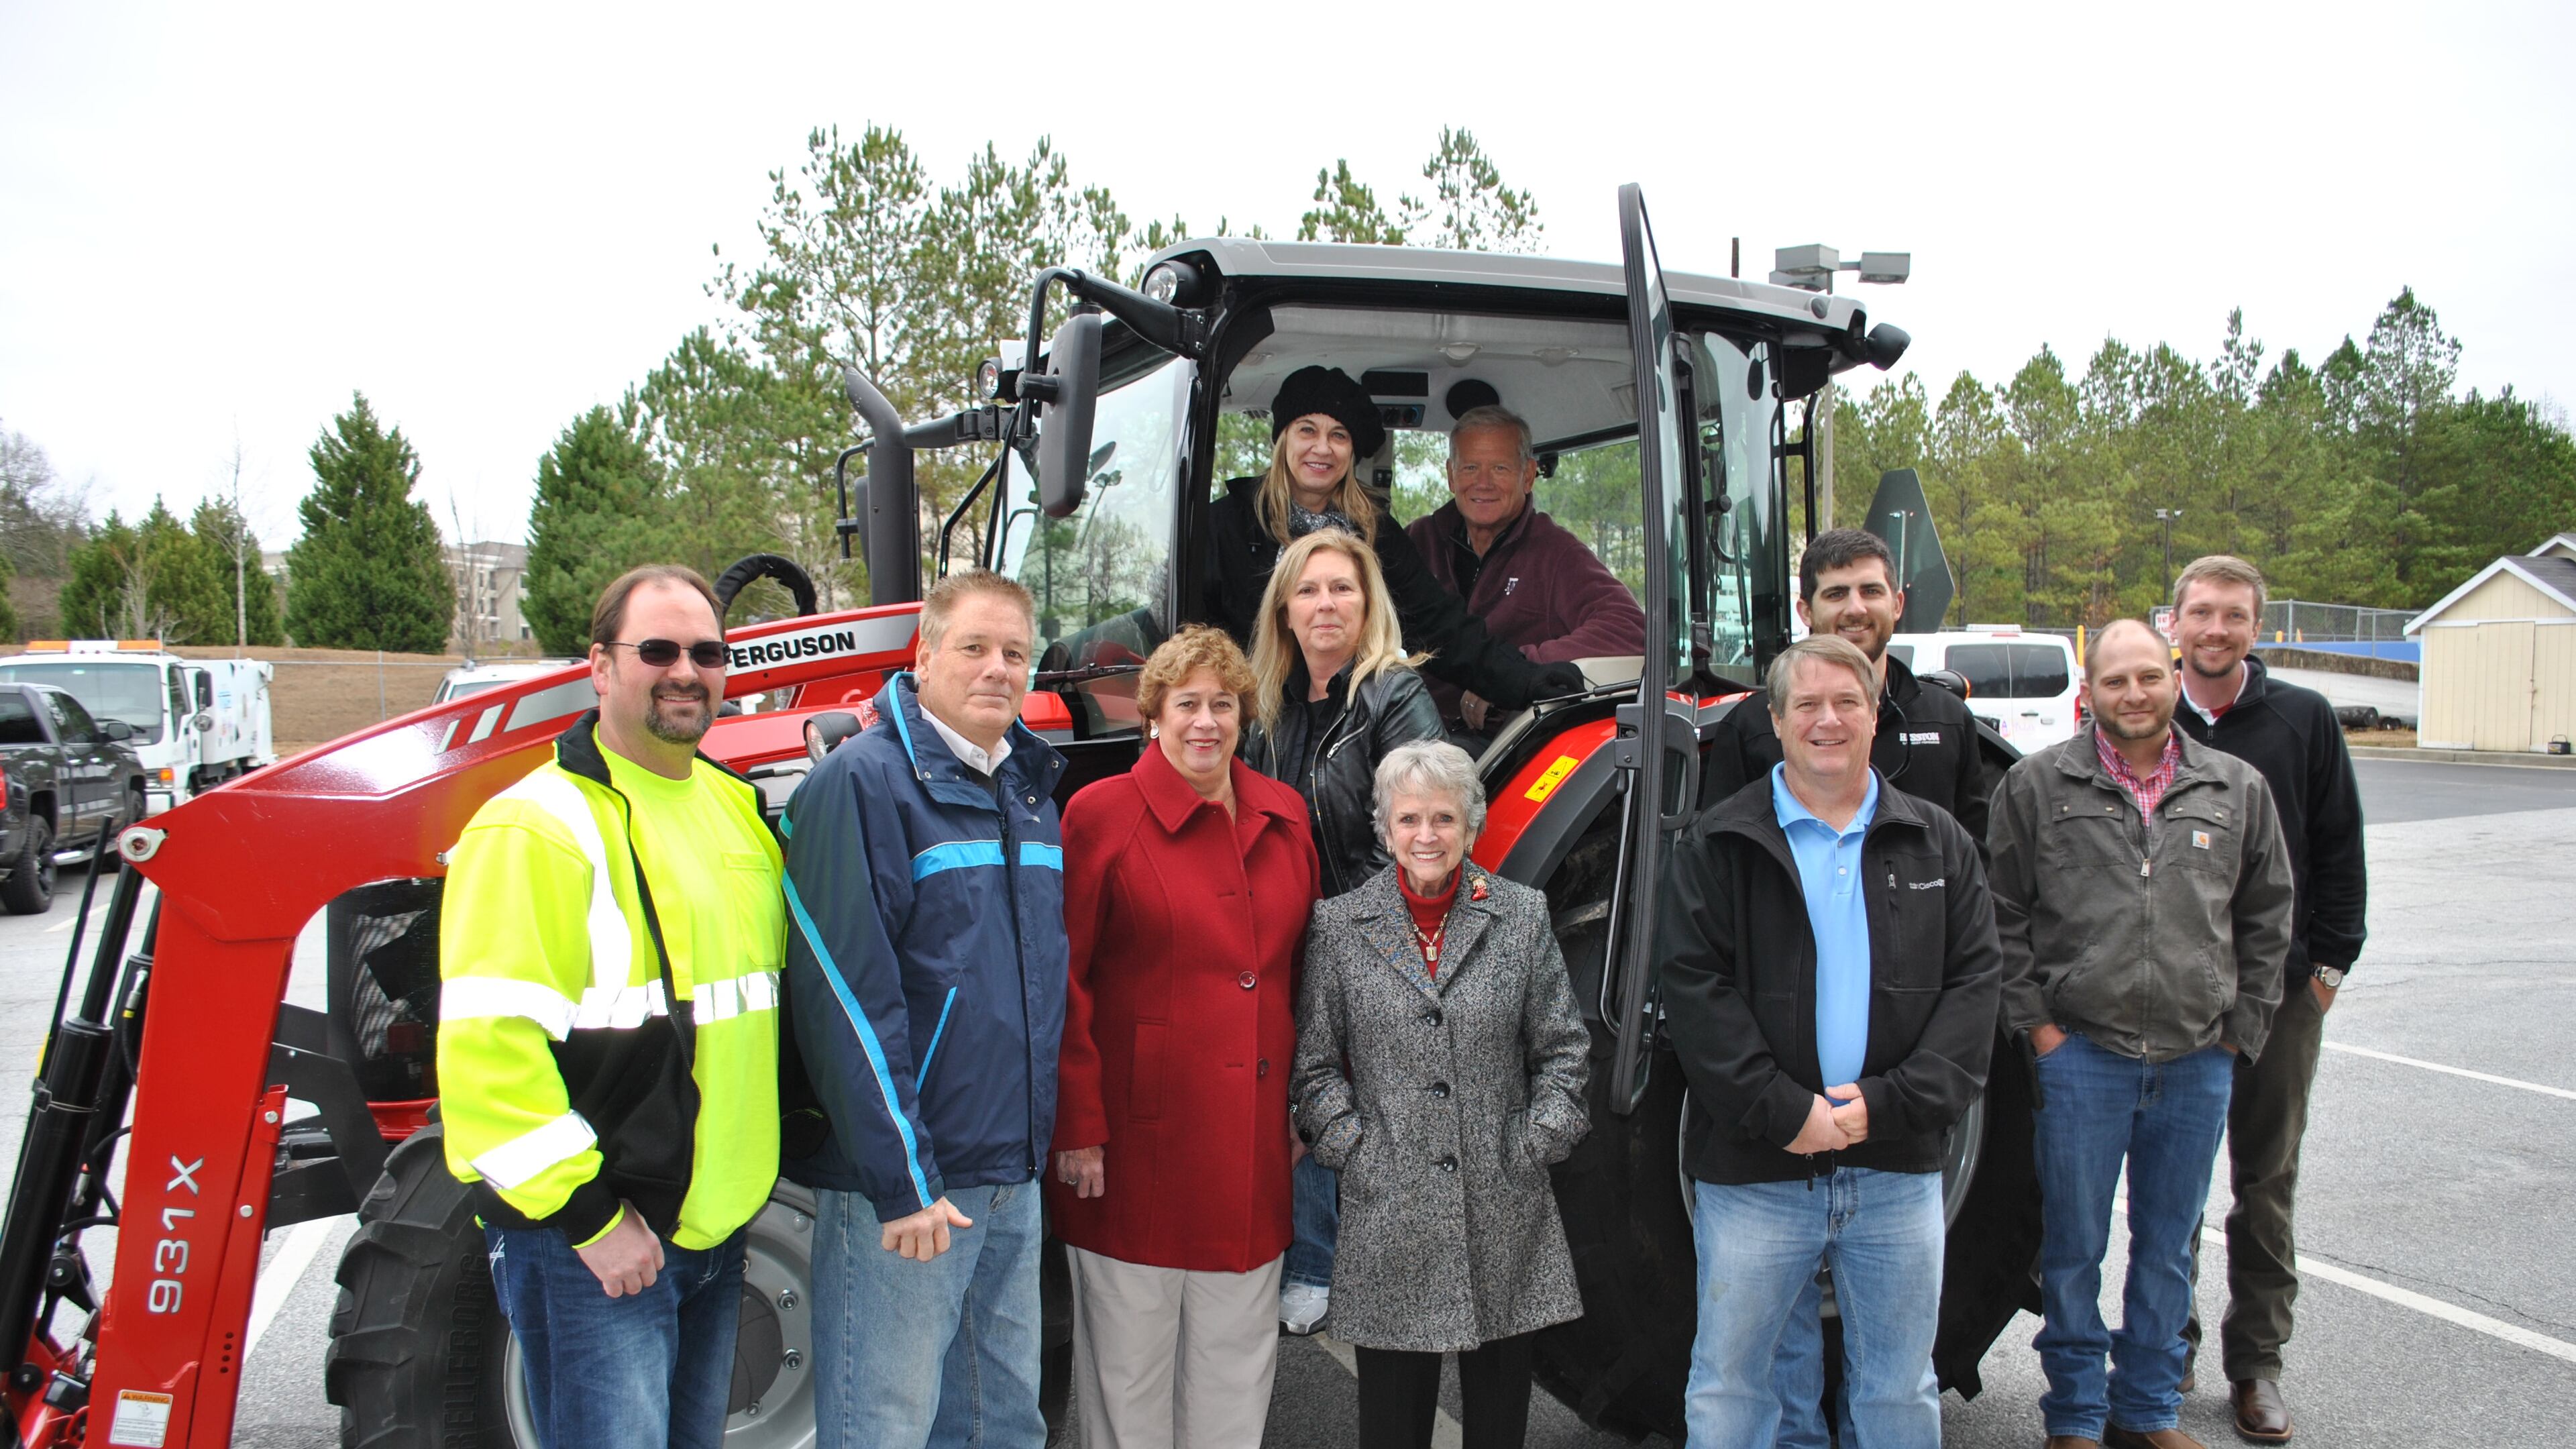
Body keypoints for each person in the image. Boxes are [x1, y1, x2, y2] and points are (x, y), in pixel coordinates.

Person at [437, 564, 782, 1449]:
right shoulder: (536, 828)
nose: (685, 671)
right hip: (600, 1243)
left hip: (714, 1231)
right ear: (599, 666)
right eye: (656, 649)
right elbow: (488, 1063)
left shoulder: (733, 810)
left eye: (707, 652)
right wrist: (591, 1219)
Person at [1658, 635, 2001, 1449]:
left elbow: (1974, 989)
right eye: (1806, 705)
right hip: (1757, 1176)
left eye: (1847, 703)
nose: (1827, 721)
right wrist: (1788, 1114)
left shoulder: (1938, 842)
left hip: (1895, 1173)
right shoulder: (1718, 843)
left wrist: (1883, 1108)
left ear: (1876, 716)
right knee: (1734, 1391)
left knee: (1897, 1393)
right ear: (1774, 721)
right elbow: (1694, 993)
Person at [1989, 619, 2296, 1449]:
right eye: (2115, 682)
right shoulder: (2038, 786)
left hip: (2198, 1060)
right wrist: (2041, 1031)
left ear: (2170, 680)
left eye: (2147, 679)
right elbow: (2002, 915)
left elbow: (2268, 918)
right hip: (2082, 1055)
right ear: (2090, 693)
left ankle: (2148, 1410)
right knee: (2074, 1249)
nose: (2134, 695)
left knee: (2168, 1249)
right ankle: (2077, 1417)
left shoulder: (2235, 789)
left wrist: (2239, 1032)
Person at [780, 569, 1066, 1449]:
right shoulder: (864, 786)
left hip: (1008, 1175)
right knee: (886, 1425)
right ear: (925, 653)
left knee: (1002, 1422)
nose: (996, 669)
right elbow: (845, 1001)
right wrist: (904, 1181)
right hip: (912, 1192)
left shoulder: (1028, 792)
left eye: (1015, 653)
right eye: (974, 647)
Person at [1048, 626, 1320, 1448]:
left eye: (1224, 705)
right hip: (1132, 1153)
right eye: (1188, 704)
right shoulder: (1100, 816)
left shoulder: (1285, 814)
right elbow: (1066, 981)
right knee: (1129, 1382)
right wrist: (1079, 1129)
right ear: (1152, 717)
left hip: (1252, 1146)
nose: (1207, 722)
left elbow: (1306, 976)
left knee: (1236, 1375)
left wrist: (1304, 1103)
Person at [1290, 741, 1590, 1449]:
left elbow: (1564, 1051)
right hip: (1387, 1217)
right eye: (1410, 819)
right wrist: (1356, 1152)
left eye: (1445, 819)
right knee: (1391, 1431)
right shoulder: (1339, 926)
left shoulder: (1520, 916)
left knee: (1497, 1430)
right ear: (1385, 828)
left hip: (1503, 1211)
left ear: (1472, 825)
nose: (1427, 836)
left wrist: (1532, 1143)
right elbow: (1315, 1071)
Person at [2167, 556, 2368, 1444]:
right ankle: (2166, 1341)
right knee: (2171, 1185)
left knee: (2266, 1180)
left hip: (2276, 996)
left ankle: (2256, 1366)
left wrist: (2327, 968)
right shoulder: (2143, 713)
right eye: (2201, 613)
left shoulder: (2303, 720)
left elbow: (2339, 847)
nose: (2216, 630)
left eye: (2234, 616)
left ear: (2258, 627)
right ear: (2173, 621)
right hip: (2167, 998)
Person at [1244, 527, 1445, 1334]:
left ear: (1368, 606)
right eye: (1310, 590)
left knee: (1329, 1092)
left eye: (1343, 590)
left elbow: (1425, 831)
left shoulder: (1395, 697)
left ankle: (1318, 1263)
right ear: (1285, 610)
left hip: (1373, 930)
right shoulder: (1267, 708)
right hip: (1286, 930)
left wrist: (1364, 938)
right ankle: (1286, 1251)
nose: (1327, 604)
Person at [1205, 365, 1584, 716]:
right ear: (1283, 438)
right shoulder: (1225, 524)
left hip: (1348, 726)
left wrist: (1526, 680)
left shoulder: (1375, 531)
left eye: (1338, 435)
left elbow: (1441, 627)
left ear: (1352, 451)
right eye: (1307, 430)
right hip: (1249, 722)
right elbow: (1195, 639)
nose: (1322, 448)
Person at [1703, 527, 1991, 843]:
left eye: (1870, 591)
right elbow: (1719, 853)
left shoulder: (1947, 719)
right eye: (1837, 594)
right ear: (1806, 611)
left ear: (1896, 605)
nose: (1856, 609)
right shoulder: (1749, 726)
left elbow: (1975, 864)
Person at [1405, 404, 1646, 734]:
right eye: (1471, 467)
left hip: (1499, 743)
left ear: (1529, 475)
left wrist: (1515, 672)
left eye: (1500, 468)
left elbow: (1630, 628)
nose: (1483, 483)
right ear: (1450, 475)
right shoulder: (1419, 540)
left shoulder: (1555, 553)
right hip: (1411, 728)